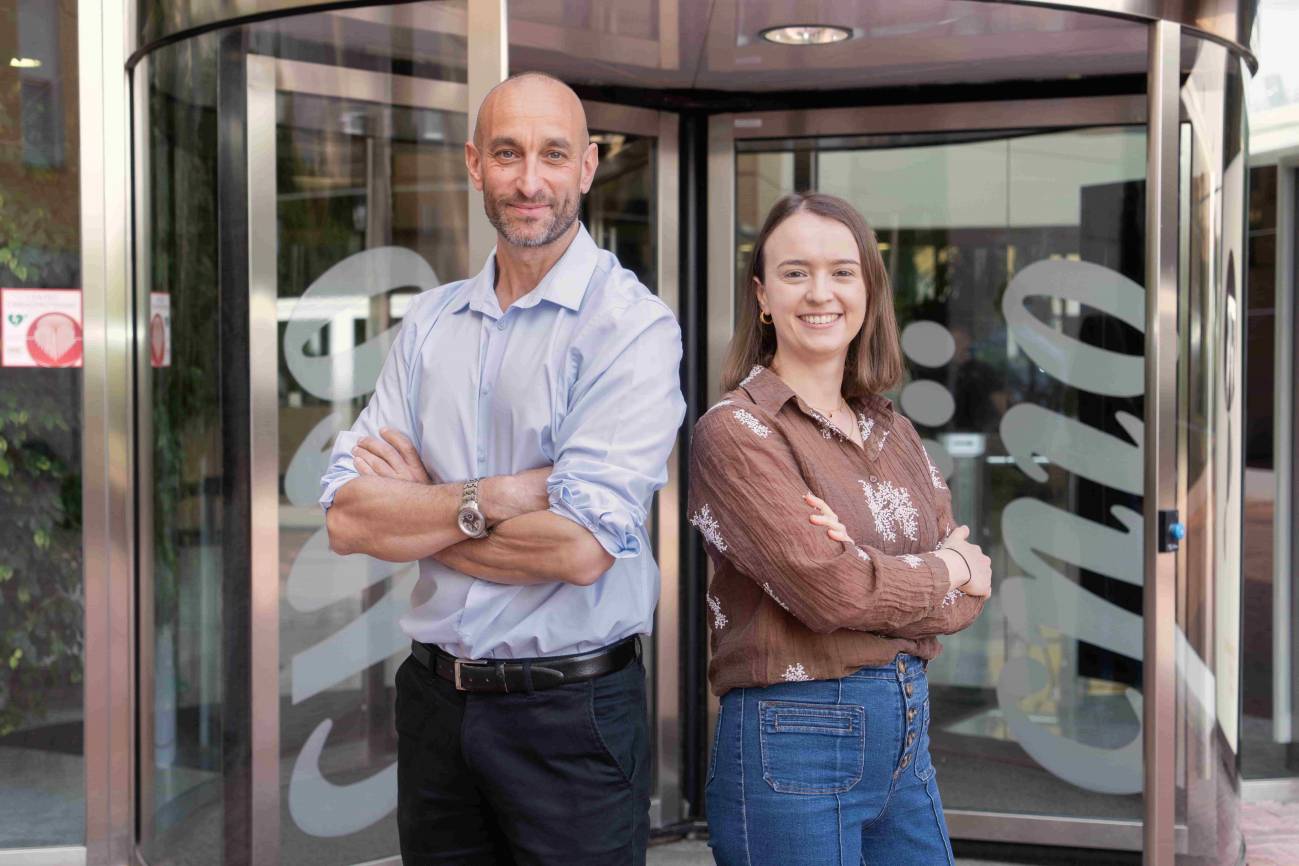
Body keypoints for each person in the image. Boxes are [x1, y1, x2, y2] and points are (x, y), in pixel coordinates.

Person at [320, 72, 685, 865]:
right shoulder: (429, 323)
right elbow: (347, 518)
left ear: (587, 166)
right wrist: (502, 495)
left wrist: (420, 509)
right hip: (434, 708)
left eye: (553, 154)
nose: (530, 180)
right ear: (472, 163)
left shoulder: (631, 329)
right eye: (507, 153)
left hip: (572, 717)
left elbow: (578, 550)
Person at [688, 193, 991, 866]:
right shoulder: (737, 432)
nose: (819, 292)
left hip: (906, 732)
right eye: (795, 273)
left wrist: (866, 567)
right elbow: (831, 593)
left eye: (841, 272)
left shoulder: (892, 428)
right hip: (792, 738)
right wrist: (941, 566)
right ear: (762, 295)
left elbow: (971, 599)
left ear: (867, 291)